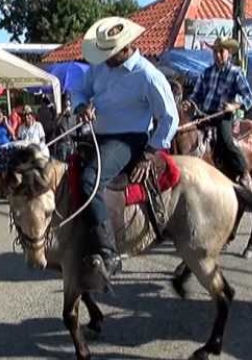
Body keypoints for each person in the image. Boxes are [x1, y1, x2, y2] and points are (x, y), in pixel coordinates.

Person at [72, 16, 179, 277]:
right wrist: (81, 106)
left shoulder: (148, 76)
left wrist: (150, 153)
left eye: (110, 52)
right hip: (98, 136)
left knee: (89, 180)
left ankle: (108, 252)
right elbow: (79, 90)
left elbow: (169, 118)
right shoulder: (99, 67)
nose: (105, 57)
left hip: (129, 139)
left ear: (126, 47)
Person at [185, 37, 252, 188]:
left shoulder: (235, 73)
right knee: (187, 133)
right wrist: (189, 102)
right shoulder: (206, 72)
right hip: (205, 114)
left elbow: (249, 97)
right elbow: (196, 94)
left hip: (223, 115)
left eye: (221, 51)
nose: (217, 55)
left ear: (228, 52)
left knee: (226, 140)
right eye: (215, 51)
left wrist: (233, 106)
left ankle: (243, 172)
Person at [54, 93, 76, 162]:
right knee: (62, 163)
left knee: (71, 163)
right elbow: (55, 124)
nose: (68, 106)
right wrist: (63, 113)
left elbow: (74, 129)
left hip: (71, 143)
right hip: (62, 144)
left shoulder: (72, 116)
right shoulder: (59, 115)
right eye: (66, 105)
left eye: (69, 105)